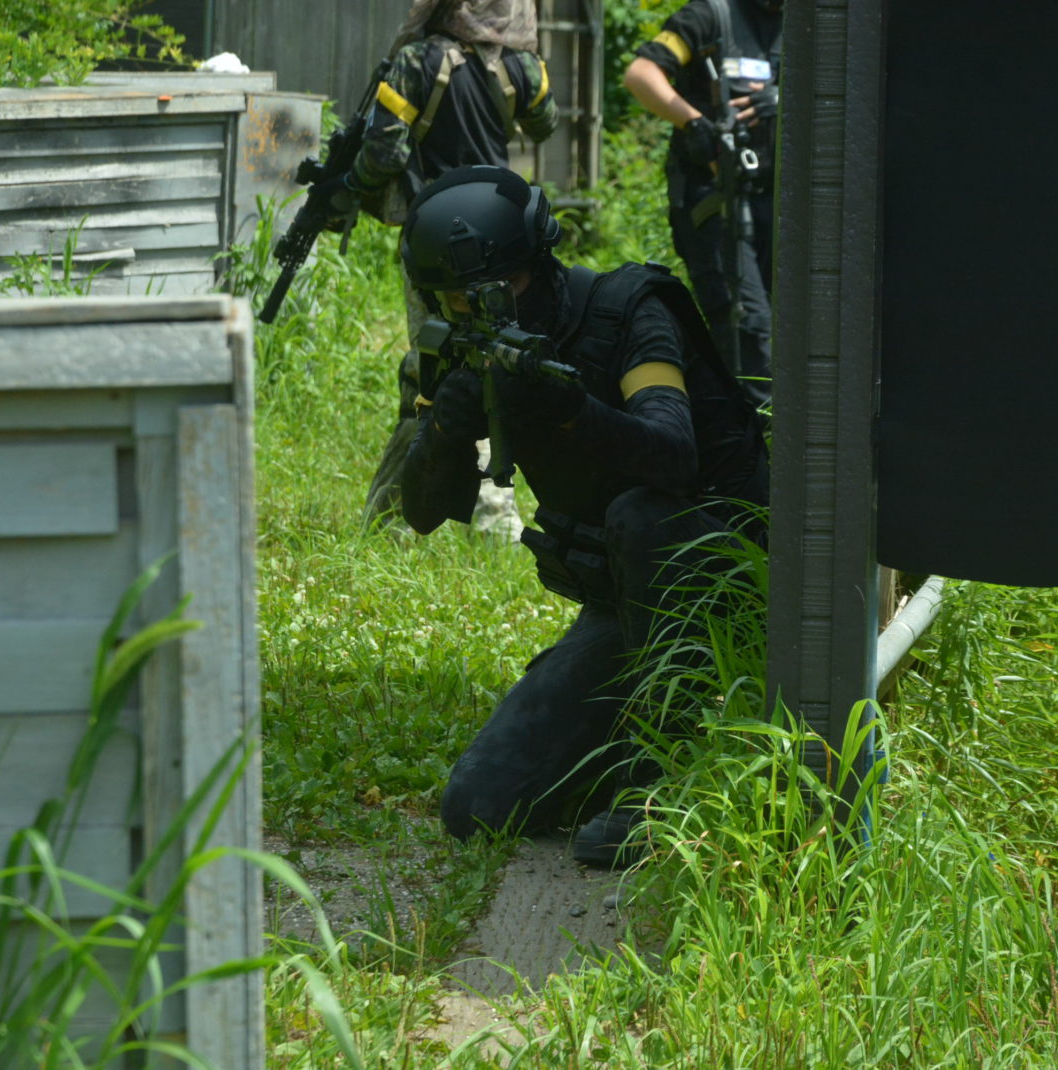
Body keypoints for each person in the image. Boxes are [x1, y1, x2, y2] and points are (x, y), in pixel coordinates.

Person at [396, 165, 769, 866]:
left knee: (641, 514)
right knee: (478, 805)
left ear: (539, 264)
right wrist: (444, 429)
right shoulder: (463, 347)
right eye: (459, 299)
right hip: (628, 609)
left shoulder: (629, 312)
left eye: (501, 290)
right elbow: (419, 513)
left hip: (731, 588)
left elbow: (674, 456)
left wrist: (570, 412)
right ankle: (625, 745)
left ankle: (660, 783)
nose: (483, 312)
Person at [302, 0, 560, 537]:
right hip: (501, 235)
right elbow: (545, 124)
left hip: (436, 240)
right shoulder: (521, 65)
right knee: (495, 358)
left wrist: (345, 189)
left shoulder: (417, 60)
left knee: (434, 368)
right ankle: (487, 518)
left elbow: (384, 154)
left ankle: (408, 515)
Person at [623, 0, 783, 405]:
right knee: (745, 322)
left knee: (783, 321)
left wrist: (783, 101)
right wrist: (695, 124)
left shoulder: (807, 23)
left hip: (777, 201)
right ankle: (758, 431)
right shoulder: (710, 16)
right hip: (715, 202)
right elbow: (642, 73)